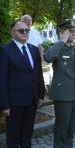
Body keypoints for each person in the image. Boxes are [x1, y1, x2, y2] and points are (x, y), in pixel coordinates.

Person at [1, 20, 45, 148]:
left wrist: (41, 94)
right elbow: (2, 79)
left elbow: (38, 74)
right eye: (21, 30)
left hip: (32, 100)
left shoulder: (34, 50)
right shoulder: (5, 51)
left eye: (27, 30)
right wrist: (4, 105)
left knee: (27, 134)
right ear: (12, 33)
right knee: (13, 136)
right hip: (14, 103)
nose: (25, 33)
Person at [43, 19, 75, 148]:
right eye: (71, 31)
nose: (74, 33)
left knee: (71, 128)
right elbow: (47, 57)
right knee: (61, 128)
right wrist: (61, 41)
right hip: (63, 96)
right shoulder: (56, 46)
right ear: (63, 32)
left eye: (74, 31)